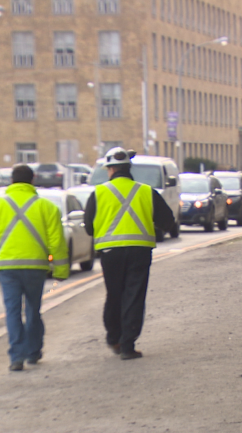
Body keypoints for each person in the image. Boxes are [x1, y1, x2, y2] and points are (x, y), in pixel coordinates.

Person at [84, 147, 175, 360]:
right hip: (139, 251)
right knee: (134, 296)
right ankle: (127, 345)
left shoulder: (98, 193)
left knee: (114, 295)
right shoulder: (146, 191)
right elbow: (168, 221)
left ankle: (113, 338)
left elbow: (89, 228)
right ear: (128, 168)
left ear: (110, 169)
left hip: (110, 253)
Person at [0, 164, 69, 371]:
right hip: (35, 267)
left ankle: (16, 357)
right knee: (33, 310)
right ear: (33, 180)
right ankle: (33, 352)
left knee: (12, 311)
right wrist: (61, 271)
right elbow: (57, 242)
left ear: (11, 181)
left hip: (6, 267)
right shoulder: (47, 207)